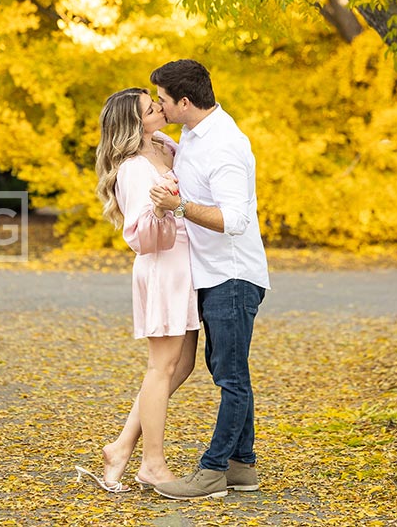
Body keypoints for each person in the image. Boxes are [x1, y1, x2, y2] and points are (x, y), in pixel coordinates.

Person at [148, 59, 270, 501]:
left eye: (162, 101)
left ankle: (213, 470)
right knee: (229, 370)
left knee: (231, 378)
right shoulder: (193, 133)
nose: (159, 108)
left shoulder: (225, 145)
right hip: (211, 275)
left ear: (184, 101)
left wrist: (179, 207)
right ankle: (243, 467)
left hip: (233, 276)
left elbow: (236, 219)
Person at [75, 87, 199, 494]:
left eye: (156, 103)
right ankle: (152, 463)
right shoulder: (132, 168)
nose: (160, 108)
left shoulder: (165, 145)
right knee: (161, 367)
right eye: (151, 108)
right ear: (135, 123)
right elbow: (140, 237)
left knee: (180, 366)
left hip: (187, 266)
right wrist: (163, 208)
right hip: (163, 267)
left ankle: (121, 447)